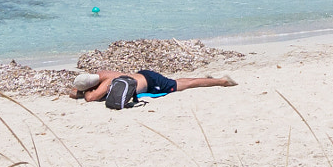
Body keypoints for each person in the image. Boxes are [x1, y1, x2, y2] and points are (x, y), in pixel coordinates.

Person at [75, 68, 237, 102]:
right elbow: (74, 91)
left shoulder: (108, 82)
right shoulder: (103, 73)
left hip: (152, 84)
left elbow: (92, 97)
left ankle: (222, 81)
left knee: (185, 85)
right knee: (180, 81)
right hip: (144, 75)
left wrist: (86, 93)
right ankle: (208, 78)